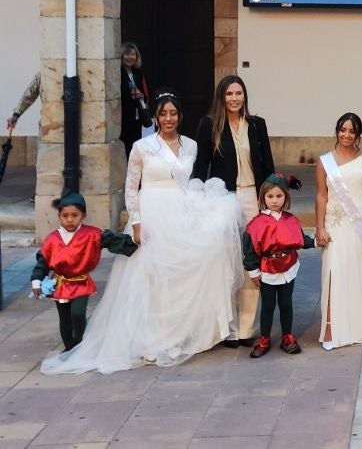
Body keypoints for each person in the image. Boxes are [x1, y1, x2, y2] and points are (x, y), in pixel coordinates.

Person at [42, 91, 243, 374]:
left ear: (180, 116)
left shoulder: (191, 145)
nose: (169, 118)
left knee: (183, 271)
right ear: (156, 117)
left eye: (173, 113)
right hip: (152, 212)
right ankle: (153, 334)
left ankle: (181, 332)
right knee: (152, 277)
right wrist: (136, 222)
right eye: (163, 114)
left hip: (182, 210)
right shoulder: (142, 147)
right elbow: (130, 188)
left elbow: (192, 180)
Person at [192, 75, 275, 348]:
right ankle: (227, 328)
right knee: (226, 262)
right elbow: (201, 164)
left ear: (244, 96)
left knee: (252, 260)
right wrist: (196, 197)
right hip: (223, 198)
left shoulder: (257, 124)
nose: (234, 98)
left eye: (239, 93)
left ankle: (246, 328)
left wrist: (272, 197)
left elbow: (268, 165)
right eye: (229, 94)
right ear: (222, 97)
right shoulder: (209, 125)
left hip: (253, 197)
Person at [315, 113, 362, 350]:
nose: (346, 135)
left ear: (358, 135)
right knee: (333, 272)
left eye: (352, 131)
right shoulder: (325, 161)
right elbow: (321, 195)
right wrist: (319, 227)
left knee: (356, 274)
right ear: (337, 131)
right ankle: (330, 326)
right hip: (335, 224)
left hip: (361, 225)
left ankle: (356, 322)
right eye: (343, 130)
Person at [31, 193, 138, 352]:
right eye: (65, 216)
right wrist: (36, 280)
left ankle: (79, 343)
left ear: (83, 215)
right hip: (61, 284)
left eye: (75, 215)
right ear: (59, 216)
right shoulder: (52, 240)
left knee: (78, 313)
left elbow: (114, 241)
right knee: (65, 318)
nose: (70, 219)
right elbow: (43, 261)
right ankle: (69, 348)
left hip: (81, 283)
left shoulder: (93, 234)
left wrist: (135, 241)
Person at [242, 174, 315, 358]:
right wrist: (253, 271)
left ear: (286, 197)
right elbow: (250, 250)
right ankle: (264, 339)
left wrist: (316, 242)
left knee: (286, 303)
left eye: (279, 196)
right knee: (267, 306)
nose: (274, 200)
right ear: (263, 197)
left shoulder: (291, 220)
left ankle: (287, 337)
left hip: (289, 268)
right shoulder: (256, 224)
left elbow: (301, 239)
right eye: (270, 196)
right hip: (267, 271)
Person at [120, 42, 151, 157]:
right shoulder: (118, 73)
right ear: (121, 56)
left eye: (133, 54)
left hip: (137, 117)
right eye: (127, 54)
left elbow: (145, 94)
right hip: (124, 118)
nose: (130, 57)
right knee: (126, 148)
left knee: (135, 148)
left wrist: (141, 95)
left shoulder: (138, 73)